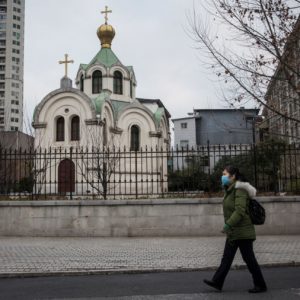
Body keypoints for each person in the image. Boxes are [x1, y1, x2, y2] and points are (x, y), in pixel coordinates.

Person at [203, 166, 267, 293]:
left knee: (249, 259)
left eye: (224, 174)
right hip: (234, 232)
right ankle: (217, 281)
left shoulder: (240, 190)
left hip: (243, 231)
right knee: (226, 258)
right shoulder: (230, 189)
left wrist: (228, 225)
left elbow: (240, 211)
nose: (222, 176)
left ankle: (261, 285)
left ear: (233, 176)